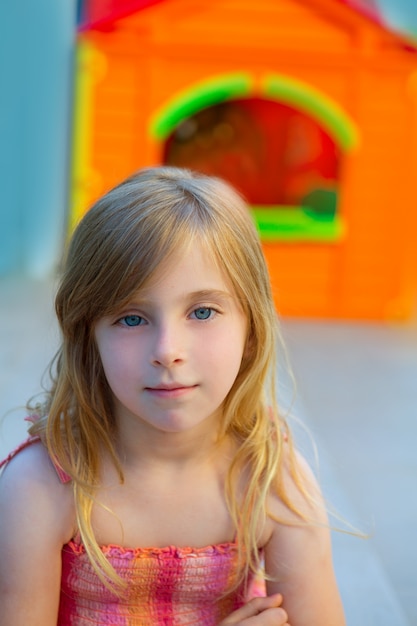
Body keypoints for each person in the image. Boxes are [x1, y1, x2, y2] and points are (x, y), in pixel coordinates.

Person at [0, 166, 345, 625]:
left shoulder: (270, 480)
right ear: (89, 335)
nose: (167, 352)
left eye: (202, 311)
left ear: (251, 325)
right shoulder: (41, 488)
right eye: (131, 318)